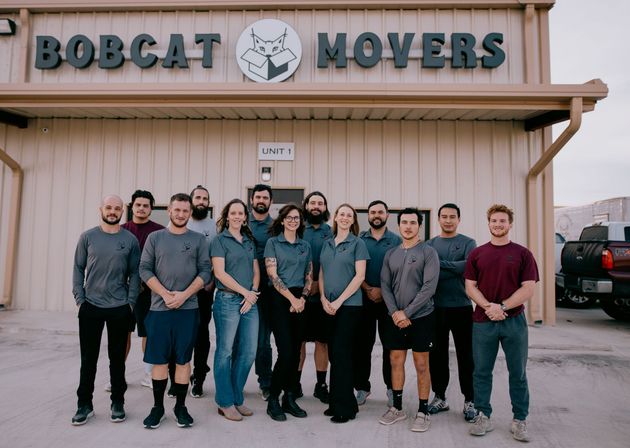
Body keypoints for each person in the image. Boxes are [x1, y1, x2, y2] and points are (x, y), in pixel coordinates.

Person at [465, 204, 539, 442]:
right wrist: (489, 307)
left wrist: (503, 307)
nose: (498, 224)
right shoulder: (477, 254)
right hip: (483, 321)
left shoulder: (522, 253)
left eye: (502, 221)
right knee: (482, 371)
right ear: (488, 224)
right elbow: (470, 287)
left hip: (514, 321)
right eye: (494, 221)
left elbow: (528, 287)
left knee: (517, 372)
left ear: (510, 224)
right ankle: (483, 415)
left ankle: (519, 420)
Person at [139, 193, 212, 429]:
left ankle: (181, 407)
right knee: (159, 361)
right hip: (159, 309)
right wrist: (164, 293)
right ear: (169, 211)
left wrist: (183, 295)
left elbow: (205, 272)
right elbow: (144, 269)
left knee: (183, 361)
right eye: (177, 210)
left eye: (185, 211)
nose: (181, 214)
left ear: (190, 214)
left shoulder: (199, 239)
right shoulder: (155, 238)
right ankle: (158, 408)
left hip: (188, 309)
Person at [71, 195, 140, 425]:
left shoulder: (129, 240)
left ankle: (117, 402)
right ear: (101, 209)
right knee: (88, 358)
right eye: (109, 207)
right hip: (91, 306)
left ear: (122, 211)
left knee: (117, 358)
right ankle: (84, 404)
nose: (112, 211)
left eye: (117, 208)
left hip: (119, 307)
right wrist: (80, 299)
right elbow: (78, 268)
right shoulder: (88, 237)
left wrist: (130, 303)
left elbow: (136, 273)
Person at [379, 208, 439, 433]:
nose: (408, 226)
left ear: (419, 226)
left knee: (422, 364)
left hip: (421, 317)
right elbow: (385, 285)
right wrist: (395, 312)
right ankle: (397, 408)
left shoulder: (428, 252)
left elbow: (429, 287)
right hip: (395, 318)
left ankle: (423, 411)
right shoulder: (391, 253)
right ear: (399, 225)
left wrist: (408, 312)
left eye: (413, 222)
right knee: (396, 361)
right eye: (404, 222)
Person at [425, 203, 478, 421]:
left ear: (458, 219)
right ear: (438, 219)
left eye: (452, 217)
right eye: (444, 216)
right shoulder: (430, 244)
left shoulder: (468, 242)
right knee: (437, 355)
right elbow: (430, 273)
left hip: (462, 307)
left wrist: (440, 265)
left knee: (466, 355)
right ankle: (440, 397)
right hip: (435, 308)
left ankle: (470, 400)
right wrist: (453, 267)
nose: (448, 220)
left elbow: (467, 268)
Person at [319, 203, 369, 423]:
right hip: (327, 306)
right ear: (336, 218)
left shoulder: (358, 243)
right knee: (333, 355)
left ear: (353, 220)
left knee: (342, 354)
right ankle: (340, 401)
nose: (345, 218)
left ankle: (344, 409)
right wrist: (322, 297)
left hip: (349, 307)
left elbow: (359, 277)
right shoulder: (327, 243)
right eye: (342, 214)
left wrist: (338, 301)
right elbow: (321, 272)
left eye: (350, 215)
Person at [212, 199, 260, 422]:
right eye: (234, 213)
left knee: (249, 351)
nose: (238, 216)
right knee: (225, 351)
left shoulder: (249, 241)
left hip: (250, 302)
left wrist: (252, 293)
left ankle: (236, 396)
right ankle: (224, 401)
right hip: (227, 300)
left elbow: (256, 271)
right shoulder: (220, 240)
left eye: (241, 213)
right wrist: (244, 292)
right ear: (227, 215)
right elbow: (220, 274)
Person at [264, 204, 312, 421]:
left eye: (297, 218)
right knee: (285, 351)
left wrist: (302, 298)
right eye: (289, 218)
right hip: (279, 299)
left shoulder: (305, 245)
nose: (293, 221)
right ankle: (274, 398)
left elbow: (309, 274)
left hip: (300, 301)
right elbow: (273, 275)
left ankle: (289, 397)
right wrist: (292, 299)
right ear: (282, 221)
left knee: (296, 351)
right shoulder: (273, 243)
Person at [355, 200, 402, 407]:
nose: (376, 215)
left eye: (380, 212)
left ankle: (392, 389)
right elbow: (353, 268)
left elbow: (401, 272)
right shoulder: (359, 240)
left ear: (387, 215)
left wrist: (383, 291)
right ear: (368, 216)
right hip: (363, 298)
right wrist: (367, 288)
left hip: (388, 301)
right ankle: (362, 388)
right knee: (362, 346)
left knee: (389, 346)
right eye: (373, 212)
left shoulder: (397, 240)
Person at [121, 189, 164, 389]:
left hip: (148, 292)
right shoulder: (121, 230)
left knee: (149, 333)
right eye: (138, 205)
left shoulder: (159, 232)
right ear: (132, 206)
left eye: (146, 205)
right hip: (122, 291)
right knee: (123, 333)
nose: (141, 208)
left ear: (151, 208)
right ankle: (118, 375)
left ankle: (148, 374)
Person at [299, 191, 333, 403]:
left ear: (325, 207)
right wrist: (306, 285)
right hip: (299, 295)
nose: (316, 206)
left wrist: (319, 286)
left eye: (320, 203)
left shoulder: (331, 231)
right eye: (312, 203)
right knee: (298, 341)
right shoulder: (297, 228)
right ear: (306, 206)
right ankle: (295, 383)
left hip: (323, 295)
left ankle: (321, 385)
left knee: (323, 341)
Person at [187, 185, 217, 398]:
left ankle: (199, 377)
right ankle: (177, 376)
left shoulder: (213, 226)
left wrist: (212, 281)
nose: (201, 201)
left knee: (201, 334)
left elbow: (218, 257)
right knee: (179, 335)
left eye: (205, 198)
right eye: (197, 197)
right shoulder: (180, 220)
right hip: (180, 290)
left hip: (204, 289)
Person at [247, 184, 274, 399]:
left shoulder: (276, 226)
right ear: (251, 200)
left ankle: (265, 381)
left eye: (265, 197)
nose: (261, 200)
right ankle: (233, 382)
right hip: (239, 287)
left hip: (267, 289)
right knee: (236, 340)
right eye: (258, 197)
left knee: (263, 340)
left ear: (270, 202)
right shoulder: (240, 221)